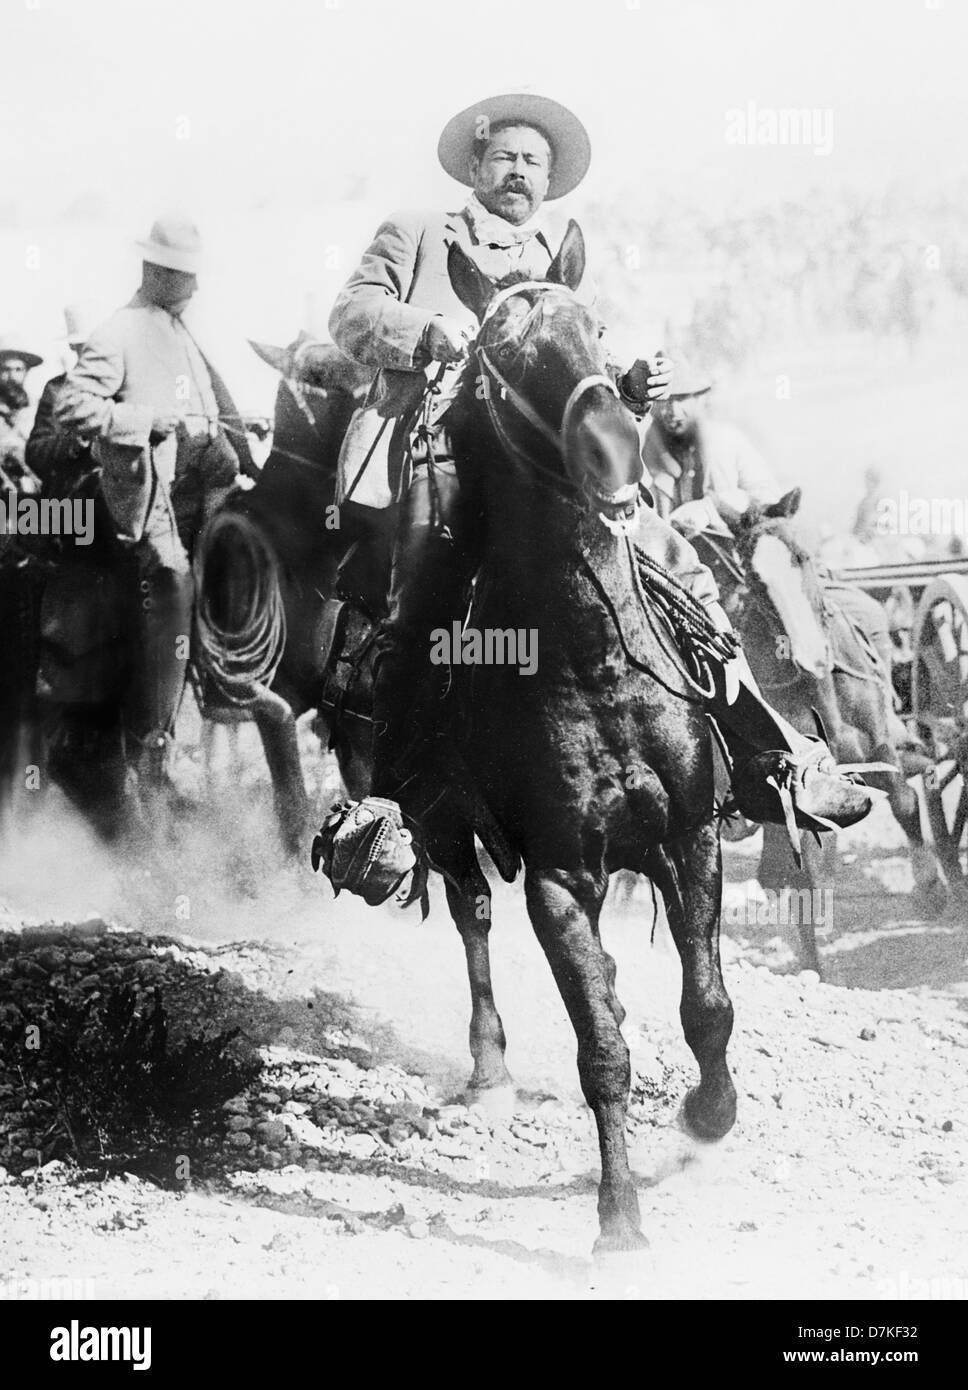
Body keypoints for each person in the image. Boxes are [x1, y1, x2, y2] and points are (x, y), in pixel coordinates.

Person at [325, 93, 870, 890]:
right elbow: (349, 313)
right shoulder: (419, 233)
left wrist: (635, 384)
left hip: (550, 477)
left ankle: (771, 754)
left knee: (677, 568)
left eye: (534, 163)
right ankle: (390, 813)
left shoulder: (562, 258)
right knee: (424, 608)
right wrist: (420, 331)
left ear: (550, 182)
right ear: (475, 166)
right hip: (442, 457)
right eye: (505, 157)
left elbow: (588, 372)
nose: (519, 173)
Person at [54, 216, 249, 803]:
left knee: (255, 554)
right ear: (156, 273)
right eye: (186, 276)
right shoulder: (119, 331)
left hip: (203, 488)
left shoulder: (180, 330)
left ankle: (231, 690)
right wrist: (143, 421)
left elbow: (208, 409)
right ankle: (151, 745)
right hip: (149, 500)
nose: (196, 287)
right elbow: (74, 406)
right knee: (172, 582)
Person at [0, 335, 44, 492]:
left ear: (26, 372)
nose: (12, 377)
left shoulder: (39, 410)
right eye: (5, 369)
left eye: (18, 369)